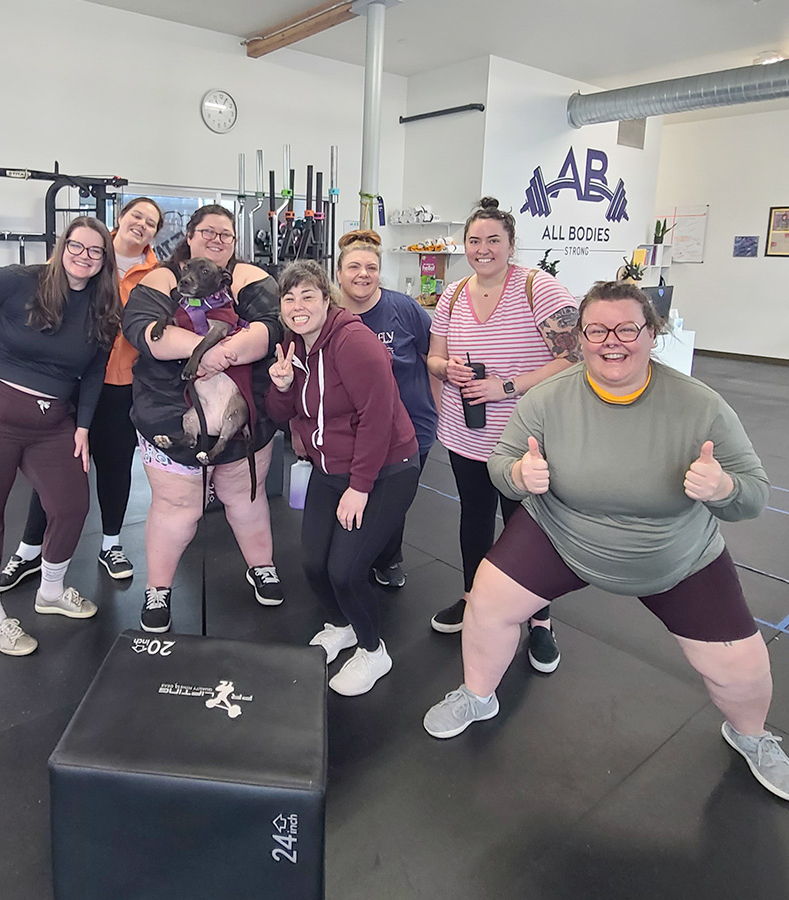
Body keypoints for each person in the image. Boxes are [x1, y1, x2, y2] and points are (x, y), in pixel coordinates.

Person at [422, 282, 789, 801]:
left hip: (671, 550)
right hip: (561, 532)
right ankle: (477, 695)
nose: (611, 341)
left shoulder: (700, 405)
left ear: (652, 334)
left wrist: (724, 488)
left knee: (741, 668)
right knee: (486, 601)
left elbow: (753, 495)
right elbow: (502, 463)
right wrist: (519, 475)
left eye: (627, 329)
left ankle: (751, 737)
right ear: (580, 337)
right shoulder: (548, 397)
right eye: (596, 330)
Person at [0, 217, 120, 656]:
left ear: (104, 260)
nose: (84, 256)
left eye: (95, 251)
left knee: (71, 505)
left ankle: (50, 591)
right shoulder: (22, 281)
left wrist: (83, 425)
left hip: (52, 422)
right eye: (77, 246)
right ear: (62, 246)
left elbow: (95, 371)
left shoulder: (105, 306)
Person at [426, 197, 580, 674]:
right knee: (474, 518)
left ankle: (539, 619)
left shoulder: (538, 288)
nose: (483, 249)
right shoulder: (453, 294)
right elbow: (434, 357)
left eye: (494, 239)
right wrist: (447, 369)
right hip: (467, 433)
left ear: (511, 245)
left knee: (527, 527)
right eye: (475, 240)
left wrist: (506, 386)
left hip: (524, 438)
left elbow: (575, 356)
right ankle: (473, 598)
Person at [122, 204, 283, 633]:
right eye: (208, 231)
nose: (216, 239)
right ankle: (158, 589)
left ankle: (262, 566)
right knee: (176, 507)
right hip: (171, 410)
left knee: (246, 497)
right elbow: (142, 329)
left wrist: (223, 353)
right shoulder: (162, 279)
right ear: (190, 236)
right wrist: (203, 351)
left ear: (234, 243)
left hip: (243, 413)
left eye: (225, 234)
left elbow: (271, 327)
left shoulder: (248, 278)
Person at [266, 261, 420, 696]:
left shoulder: (353, 341)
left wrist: (360, 487)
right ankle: (342, 625)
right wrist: (281, 386)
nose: (298, 306)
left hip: (385, 469)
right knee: (313, 563)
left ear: (326, 299)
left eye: (307, 296)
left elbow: (378, 417)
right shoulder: (294, 345)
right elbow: (281, 415)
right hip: (328, 468)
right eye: (289, 299)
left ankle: (373, 651)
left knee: (346, 572)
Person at [0, 197, 163, 589]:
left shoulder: (159, 275)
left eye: (151, 222)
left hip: (122, 384)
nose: (142, 224)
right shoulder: (86, 255)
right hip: (67, 380)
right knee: (53, 465)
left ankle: (111, 545)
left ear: (156, 233)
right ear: (120, 217)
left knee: (115, 466)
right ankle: (30, 550)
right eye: (137, 216)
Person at [334, 228, 438, 588]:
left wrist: (438, 412)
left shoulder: (404, 309)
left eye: (371, 267)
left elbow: (433, 357)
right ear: (338, 273)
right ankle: (352, 557)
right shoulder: (330, 316)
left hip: (410, 427)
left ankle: (388, 558)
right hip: (351, 430)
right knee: (353, 493)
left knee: (392, 501)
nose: (363, 274)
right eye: (354, 267)